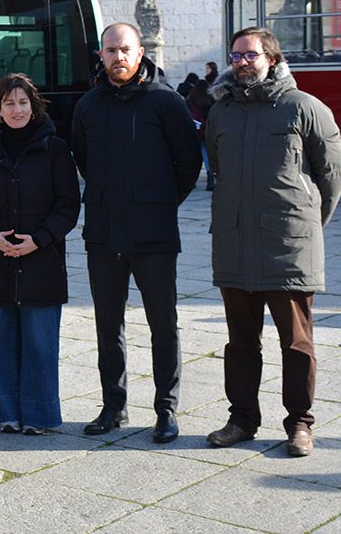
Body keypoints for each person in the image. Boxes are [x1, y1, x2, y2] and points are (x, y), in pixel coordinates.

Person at [204, 26, 341, 457]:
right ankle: (242, 418)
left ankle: (300, 424)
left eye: (250, 55)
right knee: (240, 341)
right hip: (234, 243)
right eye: (235, 55)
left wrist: (306, 223)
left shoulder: (304, 107)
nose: (241, 62)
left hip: (288, 246)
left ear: (271, 58)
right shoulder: (222, 111)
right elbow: (217, 168)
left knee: (297, 343)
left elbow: (334, 173)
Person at [72, 23, 201, 443]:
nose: (118, 57)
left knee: (163, 324)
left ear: (140, 51)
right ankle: (114, 405)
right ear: (101, 54)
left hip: (154, 235)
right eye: (110, 50)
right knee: (107, 326)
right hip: (104, 233)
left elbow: (188, 164)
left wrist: (158, 203)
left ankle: (166, 409)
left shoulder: (166, 102)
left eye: (125, 49)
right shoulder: (89, 106)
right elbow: (83, 160)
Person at [0, 73, 79, 435]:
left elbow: (68, 206)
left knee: (39, 340)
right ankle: (4, 411)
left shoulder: (55, 148)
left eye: (23, 102)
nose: (17, 109)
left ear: (35, 106)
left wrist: (40, 239)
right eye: (9, 103)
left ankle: (40, 414)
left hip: (42, 258)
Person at [187, 68, 217, 190]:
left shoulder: (191, 99)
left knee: (192, 156)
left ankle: (192, 180)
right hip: (206, 130)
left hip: (194, 131)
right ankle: (210, 179)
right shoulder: (209, 99)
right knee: (206, 156)